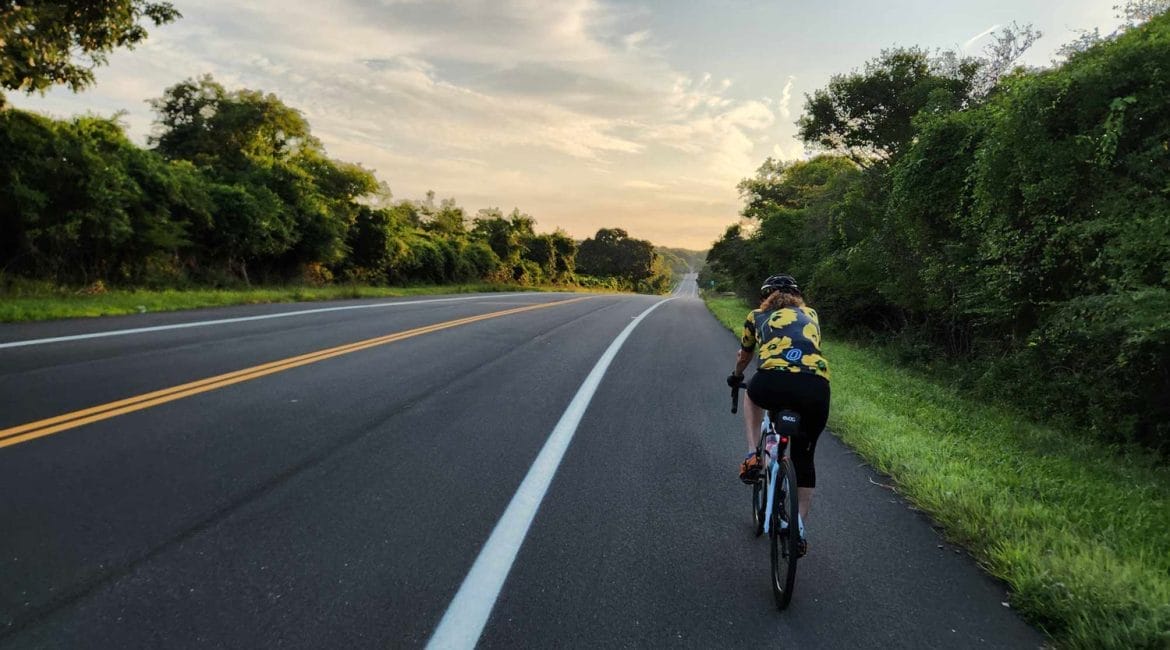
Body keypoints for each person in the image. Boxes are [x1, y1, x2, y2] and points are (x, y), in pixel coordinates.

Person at [726, 274, 830, 556]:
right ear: (797, 296)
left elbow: (744, 356)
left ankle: (752, 454)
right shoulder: (811, 314)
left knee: (751, 395)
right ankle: (797, 528)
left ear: (766, 296)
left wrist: (736, 377)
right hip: (815, 386)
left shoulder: (757, 316)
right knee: (804, 458)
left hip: (772, 381)